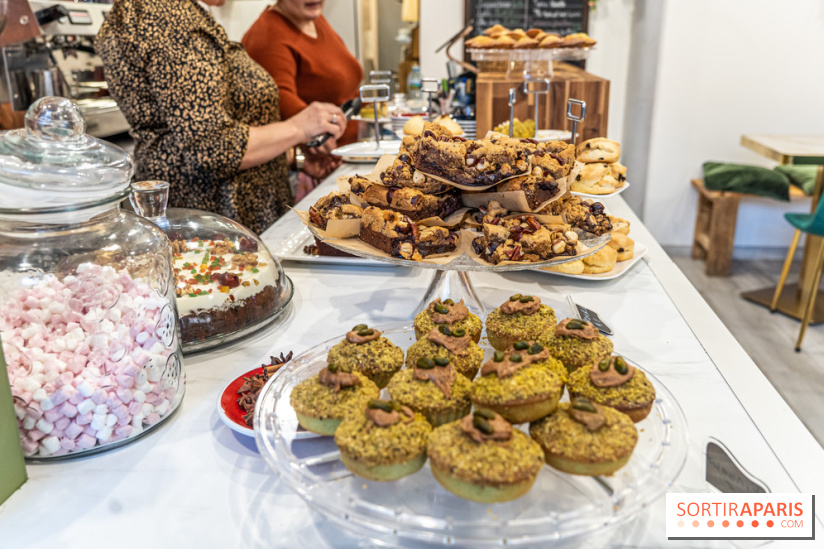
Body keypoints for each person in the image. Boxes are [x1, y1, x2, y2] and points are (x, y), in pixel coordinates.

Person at [96, 0, 346, 234]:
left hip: (212, 213)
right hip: (216, 218)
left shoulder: (162, 13)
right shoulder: (170, 18)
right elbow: (215, 147)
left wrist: (294, 159)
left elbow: (200, 130)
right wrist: (299, 128)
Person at [242, 0, 363, 198]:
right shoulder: (268, 35)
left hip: (346, 160)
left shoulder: (314, 19)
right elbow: (285, 108)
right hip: (313, 172)